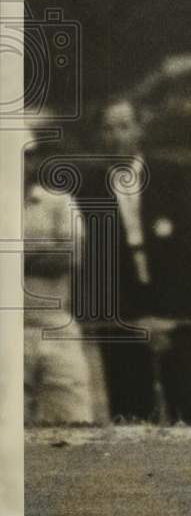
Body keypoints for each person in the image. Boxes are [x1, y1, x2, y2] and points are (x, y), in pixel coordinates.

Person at [76, 97, 191, 423]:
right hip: (122, 314)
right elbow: (94, 267)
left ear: (139, 130)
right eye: (108, 128)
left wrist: (171, 320)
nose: (117, 136)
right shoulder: (87, 190)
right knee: (130, 418)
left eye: (124, 126)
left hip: (176, 311)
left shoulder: (170, 176)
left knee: (190, 413)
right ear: (98, 135)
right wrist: (130, 321)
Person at [23, 122, 93, 425]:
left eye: (25, 156)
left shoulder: (58, 200)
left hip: (57, 326)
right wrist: (41, 255)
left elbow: (70, 256)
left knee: (73, 423)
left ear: (33, 160)